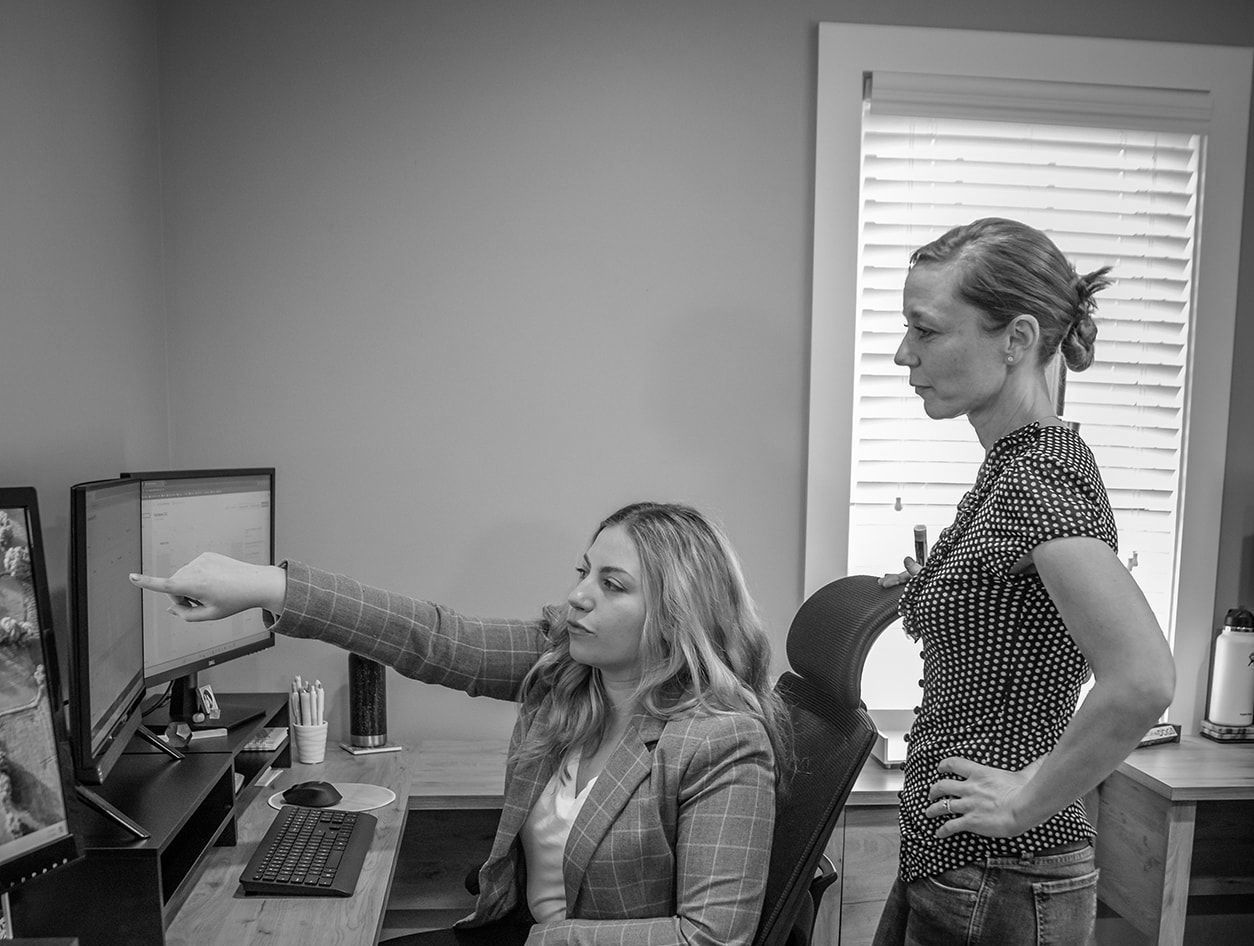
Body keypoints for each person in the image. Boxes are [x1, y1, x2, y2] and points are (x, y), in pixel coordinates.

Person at [130, 501, 789, 946]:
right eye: (584, 572)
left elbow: (706, 938)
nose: (579, 596)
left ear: (676, 612)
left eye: (614, 585)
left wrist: (552, 940)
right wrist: (268, 587)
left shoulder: (722, 740)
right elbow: (437, 640)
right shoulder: (569, 669)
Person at [871, 218, 1176, 946]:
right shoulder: (1014, 467)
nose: (902, 353)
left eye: (926, 331)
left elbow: (1142, 678)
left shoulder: (1038, 479)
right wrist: (942, 588)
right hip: (958, 863)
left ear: (1016, 339)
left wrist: (1021, 803)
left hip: (1002, 875)